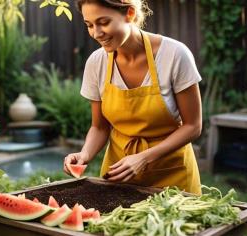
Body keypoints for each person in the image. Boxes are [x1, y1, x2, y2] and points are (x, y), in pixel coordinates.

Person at [63, 0, 202, 195]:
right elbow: (99, 126)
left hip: (172, 173)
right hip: (118, 173)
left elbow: (193, 126)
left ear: (129, 13)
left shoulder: (175, 55)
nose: (96, 32)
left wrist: (144, 158)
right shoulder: (97, 62)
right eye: (89, 25)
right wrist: (84, 154)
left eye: (103, 22)